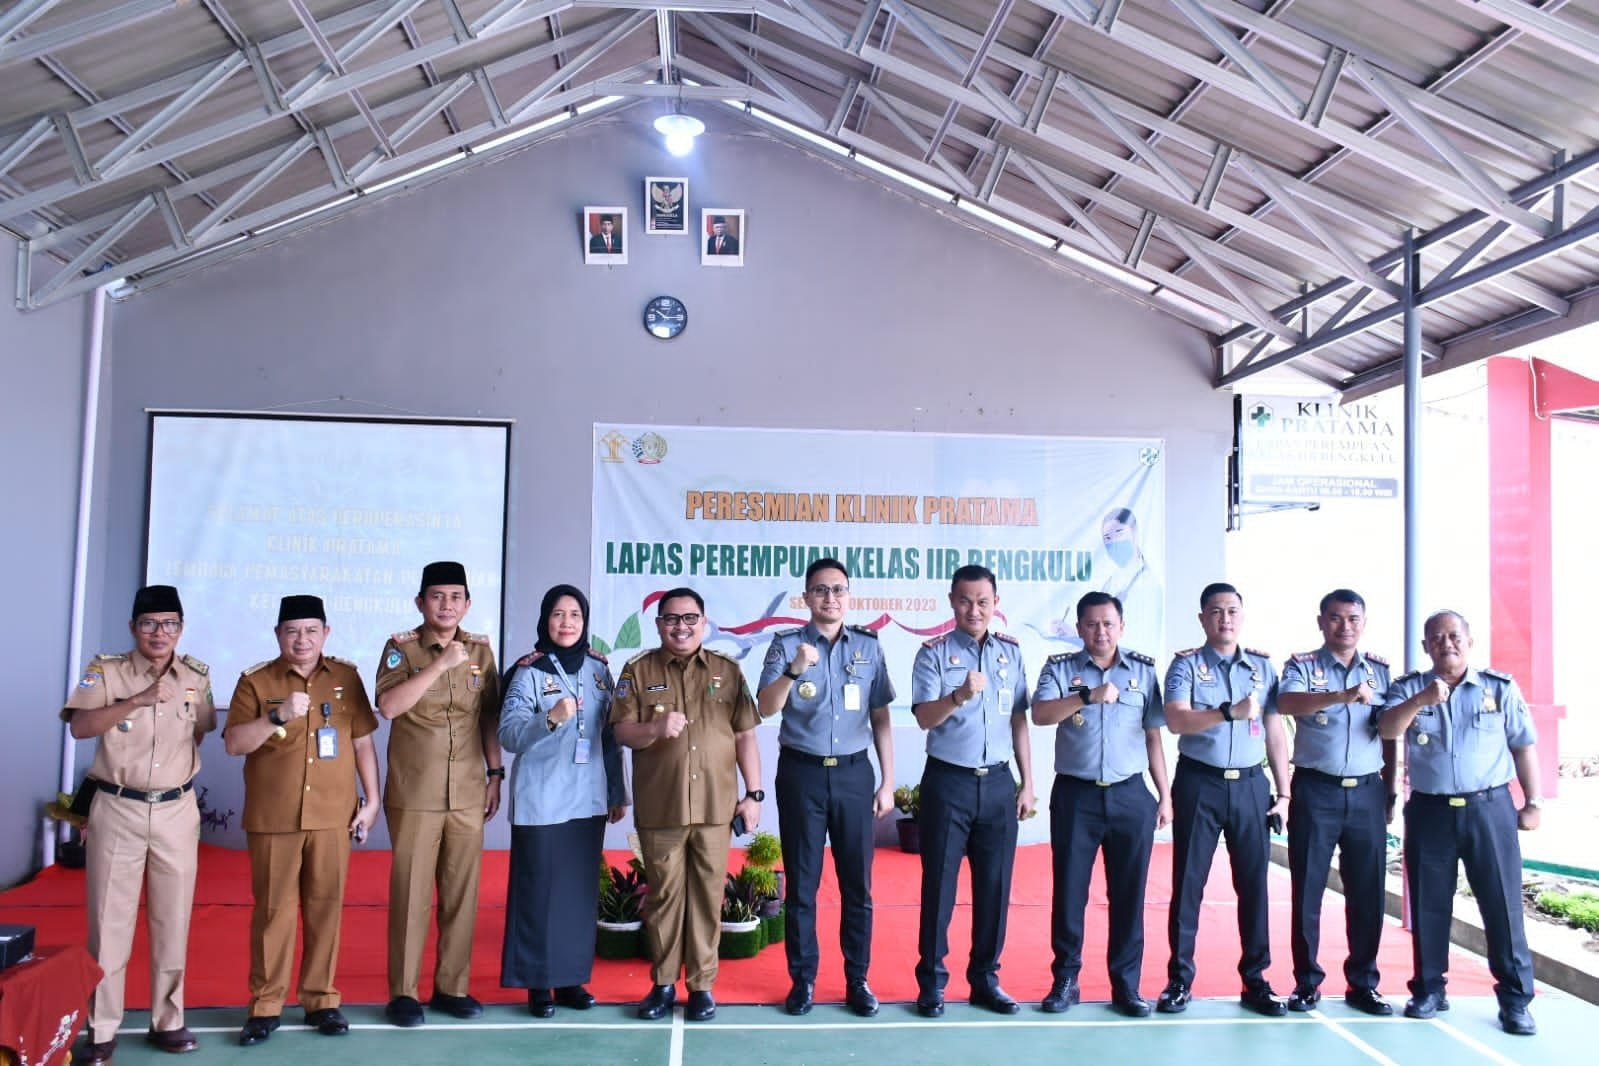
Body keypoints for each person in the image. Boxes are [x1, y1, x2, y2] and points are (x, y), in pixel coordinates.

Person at [64, 585, 216, 1064]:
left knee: (173, 920)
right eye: (149, 623)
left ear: (181, 628)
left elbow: (201, 729)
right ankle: (102, 1028)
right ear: (133, 627)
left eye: (169, 623)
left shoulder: (196, 676)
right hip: (118, 807)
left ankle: (168, 1020)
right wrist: (137, 700)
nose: (159, 632)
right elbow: (80, 727)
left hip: (175, 810)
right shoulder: (107, 671)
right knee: (109, 923)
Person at [223, 595, 380, 1046]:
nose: (302, 640)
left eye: (311, 630)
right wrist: (276, 715)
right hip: (275, 817)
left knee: (325, 908)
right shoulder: (256, 680)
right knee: (273, 913)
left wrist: (371, 801)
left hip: (333, 815)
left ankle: (321, 1000)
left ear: (326, 633)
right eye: (292, 631)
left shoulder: (346, 677)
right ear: (278, 634)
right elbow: (234, 743)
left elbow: (362, 742)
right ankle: (265, 1005)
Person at [1379, 610, 1541, 1036]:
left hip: (1489, 808)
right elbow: (1388, 729)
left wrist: (1533, 801)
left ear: (1469, 641)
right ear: (1425, 646)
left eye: (1454, 636)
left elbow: (1523, 745)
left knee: (1502, 904)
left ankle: (1515, 999)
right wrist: (1421, 701)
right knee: (1429, 903)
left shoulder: (1498, 688)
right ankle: (1429, 989)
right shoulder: (1408, 688)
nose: (1446, 644)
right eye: (1436, 638)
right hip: (1430, 811)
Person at [609, 588, 761, 1023]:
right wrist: (654, 728)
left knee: (708, 898)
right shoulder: (638, 670)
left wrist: (753, 795)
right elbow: (621, 731)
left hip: (715, 807)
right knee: (664, 898)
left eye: (690, 618)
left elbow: (745, 734)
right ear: (659, 624)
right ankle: (662, 984)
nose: (681, 626)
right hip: (663, 806)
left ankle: (701, 986)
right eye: (672, 619)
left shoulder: (727, 670)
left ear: (704, 623)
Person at [757, 558, 896, 1017]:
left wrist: (888, 781)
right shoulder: (786, 646)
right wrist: (794, 670)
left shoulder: (869, 646)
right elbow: (765, 707)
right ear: (807, 597)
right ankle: (803, 980)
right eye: (820, 590)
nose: (830, 598)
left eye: (838, 590)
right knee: (802, 885)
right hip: (802, 775)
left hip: (855, 775)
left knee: (858, 886)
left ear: (848, 596)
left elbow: (880, 715)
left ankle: (858, 979)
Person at [373, 561, 505, 1027]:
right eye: (436, 596)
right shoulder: (401, 648)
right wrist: (439, 665)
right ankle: (404, 993)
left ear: (467, 604)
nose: (446, 605)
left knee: (462, 895)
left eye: (455, 597)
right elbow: (389, 707)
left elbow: (488, 716)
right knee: (411, 896)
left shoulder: (480, 650)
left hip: (468, 789)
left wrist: (495, 774)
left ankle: (452, 987)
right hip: (416, 792)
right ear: (420, 602)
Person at [1031, 591, 1169, 1017]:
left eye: (1108, 623)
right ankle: (1066, 980)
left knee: (1129, 894)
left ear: (1121, 627)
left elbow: (1153, 735)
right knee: (1070, 892)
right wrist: (1086, 696)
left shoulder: (1143, 671)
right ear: (1079, 629)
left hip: (1131, 795)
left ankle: (1126, 985)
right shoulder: (1060, 669)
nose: (1101, 631)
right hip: (1077, 796)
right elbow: (1040, 714)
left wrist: (1165, 794)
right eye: (1091, 624)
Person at [1158, 582, 1291, 1017]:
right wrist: (1227, 712)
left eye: (1232, 610)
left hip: (1251, 786)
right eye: (1216, 611)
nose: (1225, 619)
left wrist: (1284, 792)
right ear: (1202, 618)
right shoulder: (1186, 666)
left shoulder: (1262, 667)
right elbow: (1176, 721)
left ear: (1242, 615)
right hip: (1200, 782)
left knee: (1253, 885)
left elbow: (1274, 731)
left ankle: (1256, 980)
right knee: (1188, 883)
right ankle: (1179, 980)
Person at [909, 564, 1035, 1017]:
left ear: (995, 603)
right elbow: (924, 718)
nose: (974, 610)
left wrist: (1028, 783)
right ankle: (932, 983)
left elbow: (1019, 719)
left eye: (983, 601)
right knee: (939, 887)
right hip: (948, 782)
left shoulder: (1011, 653)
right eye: (965, 600)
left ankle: (985, 979)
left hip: (999, 783)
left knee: (995, 889)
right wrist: (958, 696)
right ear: (952, 601)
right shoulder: (933, 653)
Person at [499, 585, 628, 1016]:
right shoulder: (529, 672)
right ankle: (538, 983)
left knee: (577, 894)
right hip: (541, 800)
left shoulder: (599, 670)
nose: (567, 622)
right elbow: (509, 735)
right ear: (545, 620)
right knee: (538, 894)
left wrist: (617, 792)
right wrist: (549, 719)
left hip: (588, 800)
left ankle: (571, 979)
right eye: (558, 614)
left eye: (575, 615)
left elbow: (610, 736)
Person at [1277, 589, 1396, 1016]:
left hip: (1367, 792)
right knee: (1308, 887)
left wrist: (1390, 789)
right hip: (1316, 790)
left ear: (1363, 622)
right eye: (1335, 618)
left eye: (1353, 618)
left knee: (1367, 891)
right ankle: (1306, 982)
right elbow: (1286, 703)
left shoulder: (1381, 671)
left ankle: (1363, 983)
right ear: (1321, 622)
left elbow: (1389, 732)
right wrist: (1341, 695)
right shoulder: (1302, 666)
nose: (1345, 626)